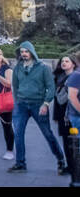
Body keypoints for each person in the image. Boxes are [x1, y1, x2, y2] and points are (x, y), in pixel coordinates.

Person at [7, 41, 66, 175]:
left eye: (26, 52)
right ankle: (20, 163)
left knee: (47, 133)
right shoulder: (18, 68)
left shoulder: (43, 68)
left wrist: (46, 103)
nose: (24, 54)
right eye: (22, 52)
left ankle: (61, 160)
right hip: (21, 105)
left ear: (32, 52)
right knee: (18, 134)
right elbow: (15, 86)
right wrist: (17, 101)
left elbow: (51, 87)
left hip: (38, 105)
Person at [53, 54, 78, 174]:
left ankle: (75, 167)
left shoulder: (76, 77)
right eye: (62, 61)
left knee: (75, 142)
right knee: (66, 142)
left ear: (73, 63)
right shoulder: (59, 77)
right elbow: (56, 99)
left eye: (67, 61)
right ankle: (70, 166)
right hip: (62, 115)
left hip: (74, 114)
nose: (64, 63)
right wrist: (55, 116)